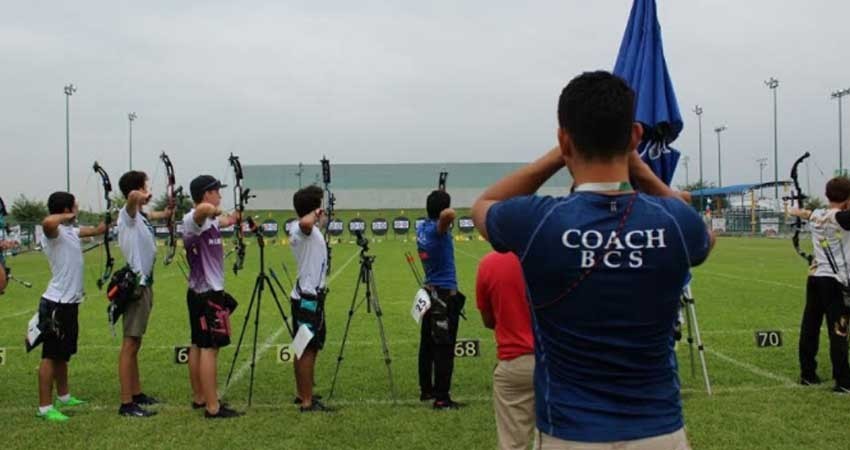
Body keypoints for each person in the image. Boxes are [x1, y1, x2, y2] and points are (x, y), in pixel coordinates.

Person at [472, 71, 713, 449]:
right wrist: (643, 171)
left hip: (570, 432)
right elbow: (696, 227)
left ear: (564, 139)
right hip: (660, 431)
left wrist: (557, 156)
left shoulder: (540, 221)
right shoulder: (676, 223)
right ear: (634, 137)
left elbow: (483, 206)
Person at [36, 192, 107, 422]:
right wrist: (66, 215)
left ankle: (64, 396)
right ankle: (45, 408)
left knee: (62, 354)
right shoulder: (53, 233)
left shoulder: (71, 231)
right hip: (55, 302)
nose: (77, 209)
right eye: (74, 206)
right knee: (50, 355)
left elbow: (97, 230)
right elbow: (47, 222)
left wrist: (109, 218)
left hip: (69, 303)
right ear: (66, 209)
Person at [113, 170, 174, 417]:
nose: (148, 189)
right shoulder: (127, 214)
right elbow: (132, 198)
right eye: (146, 185)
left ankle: (136, 393)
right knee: (130, 343)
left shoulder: (138, 215)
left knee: (135, 342)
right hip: (135, 285)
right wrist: (142, 195)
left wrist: (168, 212)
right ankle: (127, 403)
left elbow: (154, 214)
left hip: (144, 283)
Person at [182, 175, 242, 418]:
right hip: (206, 293)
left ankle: (200, 397)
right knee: (210, 348)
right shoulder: (194, 218)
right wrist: (214, 210)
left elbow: (225, 220)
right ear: (206, 194)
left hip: (201, 292)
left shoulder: (210, 222)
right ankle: (213, 406)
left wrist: (238, 213)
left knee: (198, 344)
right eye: (217, 191)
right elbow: (204, 211)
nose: (220, 196)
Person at [789, 177, 850, 393]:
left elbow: (803, 213)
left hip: (815, 278)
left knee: (811, 326)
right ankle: (843, 381)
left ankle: (808, 373)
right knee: (839, 329)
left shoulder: (818, 215)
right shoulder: (842, 218)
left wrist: (795, 210)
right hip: (834, 280)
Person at [476, 251, 535, 450]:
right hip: (560, 362)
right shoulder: (560, 254)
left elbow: (488, 320)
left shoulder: (489, 262)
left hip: (515, 362)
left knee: (512, 443)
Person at [417, 188, 465, 410]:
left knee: (428, 343)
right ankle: (442, 397)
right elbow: (449, 216)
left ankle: (427, 390)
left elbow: (440, 217)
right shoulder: (437, 231)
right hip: (443, 296)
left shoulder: (422, 228)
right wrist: (446, 209)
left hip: (429, 293)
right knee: (444, 347)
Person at [289, 185, 332, 412]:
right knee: (307, 349)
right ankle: (307, 401)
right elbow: (306, 223)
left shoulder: (303, 229)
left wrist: (318, 219)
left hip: (307, 296)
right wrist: (315, 215)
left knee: (302, 347)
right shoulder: (302, 228)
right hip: (308, 298)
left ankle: (302, 393)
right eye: (320, 206)